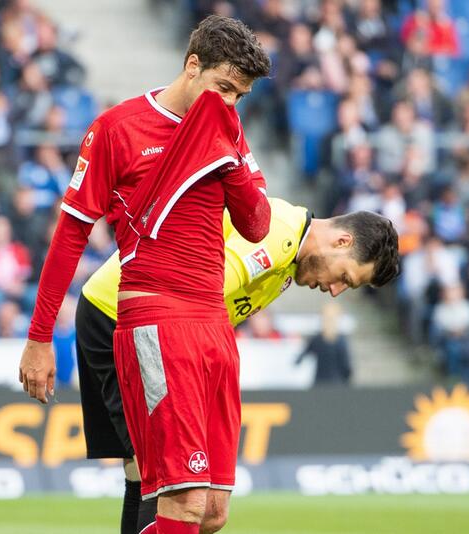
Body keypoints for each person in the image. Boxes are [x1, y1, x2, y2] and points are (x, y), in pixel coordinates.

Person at [19, 16, 272, 534]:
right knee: (183, 501)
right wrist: (40, 338)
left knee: (214, 514)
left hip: (213, 322)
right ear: (192, 65)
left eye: (240, 96)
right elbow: (70, 237)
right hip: (155, 319)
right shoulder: (117, 129)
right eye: (223, 88)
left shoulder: (229, 129)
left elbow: (256, 225)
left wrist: (230, 155)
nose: (229, 102)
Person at [76, 198, 398, 533]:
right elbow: (200, 292)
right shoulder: (278, 234)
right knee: (162, 478)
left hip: (141, 319)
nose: (335, 290)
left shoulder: (288, 256)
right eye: (344, 276)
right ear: (341, 241)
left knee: (180, 493)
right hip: (123, 316)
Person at [296, 302, 354, 385]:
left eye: (331, 318)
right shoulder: (317, 339)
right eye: (326, 318)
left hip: (337, 383)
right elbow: (303, 355)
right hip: (319, 382)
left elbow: (346, 366)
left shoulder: (342, 341)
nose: (328, 322)